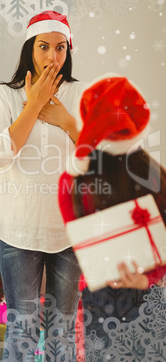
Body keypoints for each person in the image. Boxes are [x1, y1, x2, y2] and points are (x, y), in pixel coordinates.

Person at [0, 11, 86, 361]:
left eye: (60, 48)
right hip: (17, 229)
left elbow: (97, 159)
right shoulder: (3, 96)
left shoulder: (80, 95)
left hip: (68, 231)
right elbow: (0, 154)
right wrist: (34, 104)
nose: (52, 56)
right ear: (30, 48)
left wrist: (67, 121)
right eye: (44, 46)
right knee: (22, 327)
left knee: (62, 328)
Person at [58, 75, 166, 357]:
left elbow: (80, 242)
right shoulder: (157, 179)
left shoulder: (74, 183)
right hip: (152, 299)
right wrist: (149, 279)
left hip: (101, 300)